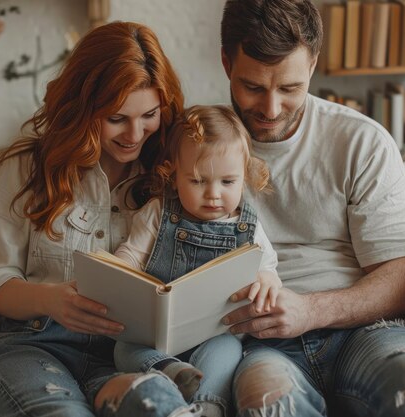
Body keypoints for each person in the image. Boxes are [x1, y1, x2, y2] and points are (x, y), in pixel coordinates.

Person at [218, 1, 405, 416]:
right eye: (254, 87)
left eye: (289, 88)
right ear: (226, 62)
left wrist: (310, 310)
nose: (271, 108)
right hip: (262, 347)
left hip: (367, 333)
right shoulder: (198, 150)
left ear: (313, 65)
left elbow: (403, 279)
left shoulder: (360, 142)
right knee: (268, 406)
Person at [0, 21, 202, 417]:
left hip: (127, 358)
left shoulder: (175, 175)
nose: (134, 133)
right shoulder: (32, 168)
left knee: (158, 407)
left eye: (148, 115)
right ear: (83, 107)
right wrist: (51, 300)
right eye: (116, 118)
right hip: (34, 347)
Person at [112, 105, 282, 417]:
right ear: (174, 176)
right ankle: (169, 370)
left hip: (216, 332)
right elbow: (130, 256)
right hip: (158, 337)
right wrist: (119, 273)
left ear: (244, 177)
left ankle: (206, 406)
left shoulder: (247, 225)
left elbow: (267, 266)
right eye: (198, 181)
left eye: (228, 182)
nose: (213, 194)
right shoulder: (157, 213)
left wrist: (267, 281)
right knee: (124, 348)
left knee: (229, 351)